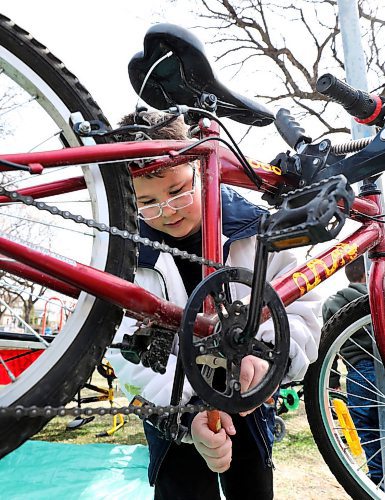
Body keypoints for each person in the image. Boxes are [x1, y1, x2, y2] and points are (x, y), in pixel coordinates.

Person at [107, 111, 321, 500]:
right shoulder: (124, 256)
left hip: (249, 404)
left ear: (200, 169)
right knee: (181, 489)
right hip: (167, 405)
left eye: (178, 191)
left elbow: (303, 311)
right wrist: (186, 417)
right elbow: (123, 347)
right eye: (147, 202)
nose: (167, 211)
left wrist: (266, 357)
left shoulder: (258, 231)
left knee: (252, 486)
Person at [322, 255, 383, 485]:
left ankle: (378, 482)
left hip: (356, 375)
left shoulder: (333, 302)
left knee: (369, 434)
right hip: (381, 369)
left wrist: (334, 380)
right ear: (369, 273)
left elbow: (327, 345)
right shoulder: (377, 297)